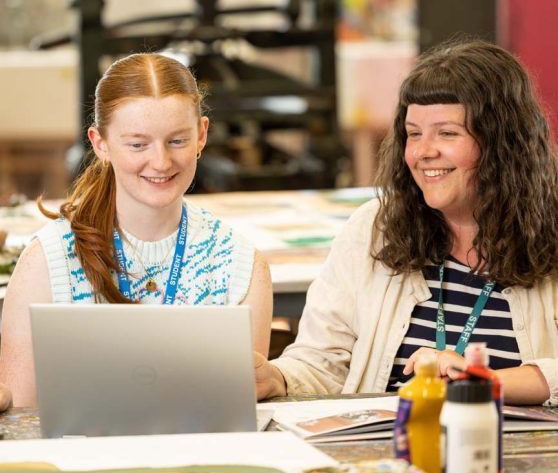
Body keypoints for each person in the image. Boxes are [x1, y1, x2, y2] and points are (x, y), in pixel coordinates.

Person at [256, 39, 558, 406]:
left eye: (447, 133)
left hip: (515, 456)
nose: (423, 152)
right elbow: (322, 363)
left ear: (503, 143)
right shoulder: (373, 230)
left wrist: (482, 382)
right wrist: (276, 377)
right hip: (388, 453)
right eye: (414, 133)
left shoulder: (550, 232)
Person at [0, 53, 272, 408]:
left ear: (202, 135)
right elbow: (22, 418)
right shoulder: (48, 263)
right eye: (137, 144)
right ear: (100, 143)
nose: (160, 162)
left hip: (202, 460)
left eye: (177, 141)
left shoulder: (239, 264)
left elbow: (238, 411)